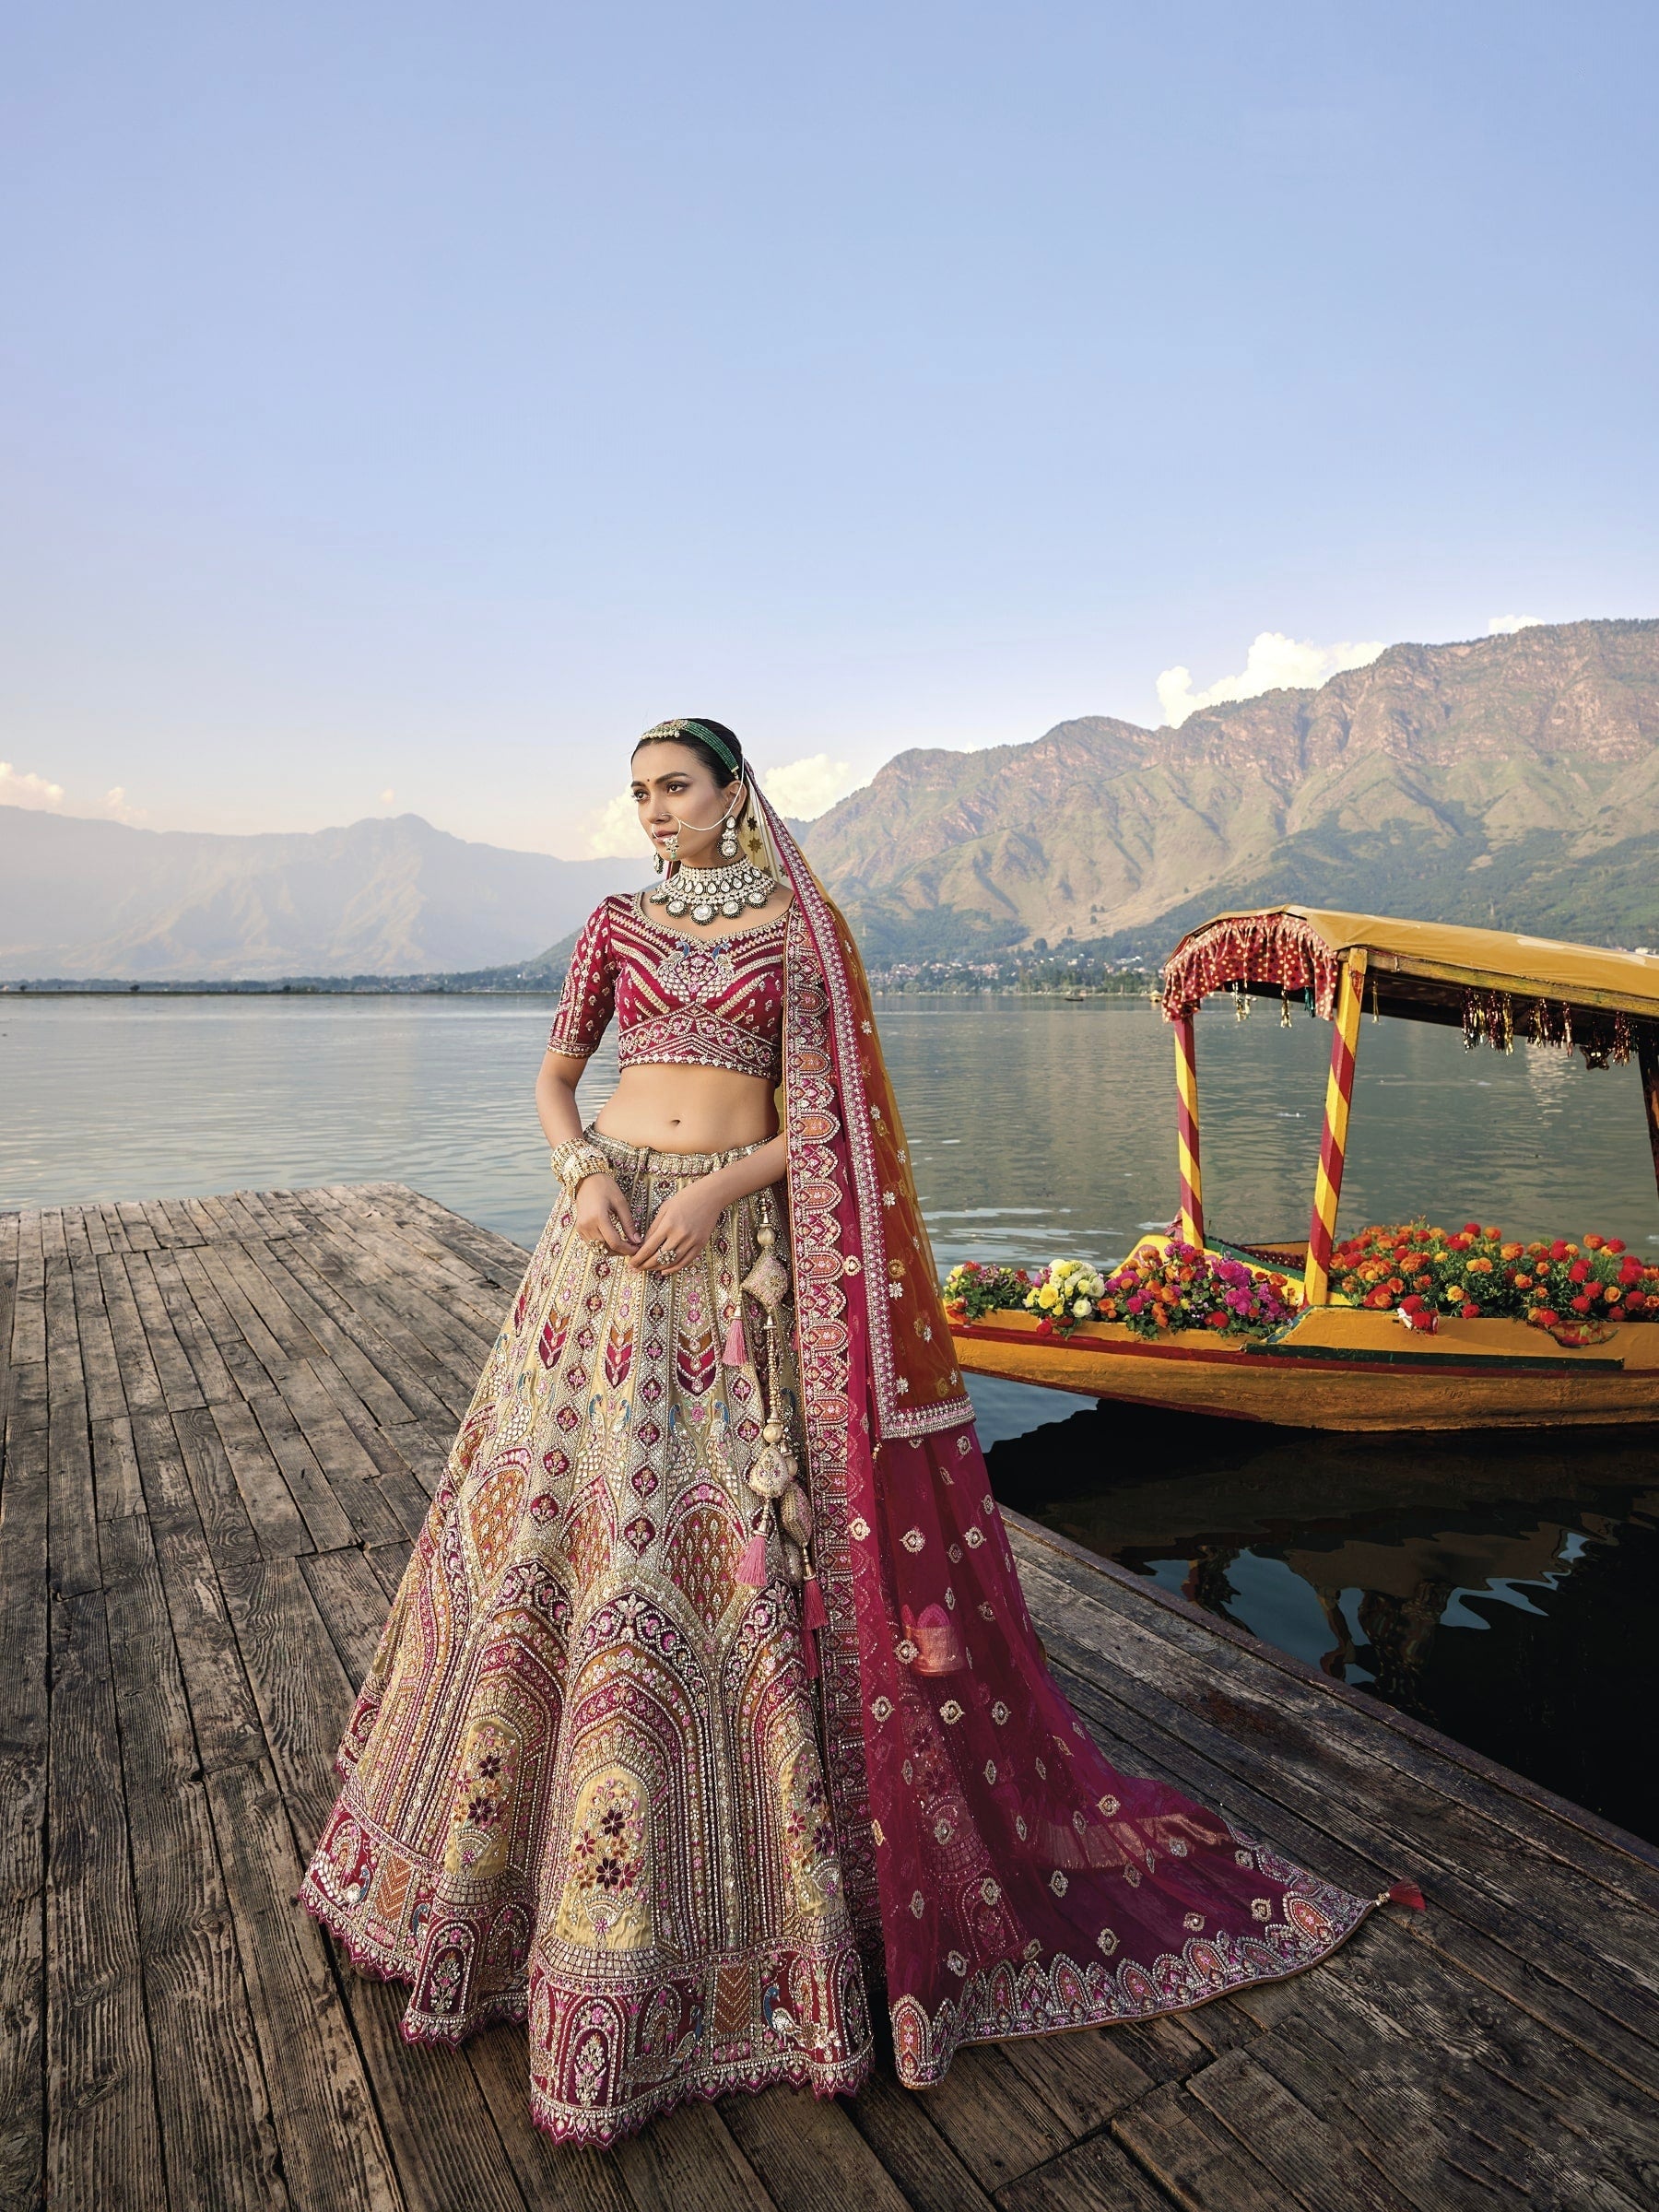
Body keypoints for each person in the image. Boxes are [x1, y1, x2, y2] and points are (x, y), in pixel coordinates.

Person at [300, 717, 1392, 2145]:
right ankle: (516, 1884)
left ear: (735, 791)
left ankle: (768, 1883)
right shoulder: (614, 920)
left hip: (736, 1247)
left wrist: (717, 1187)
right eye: (637, 794)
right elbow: (560, 1074)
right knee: (562, 1534)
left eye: (674, 788)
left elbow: (826, 1121)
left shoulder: (798, 932)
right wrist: (578, 1174)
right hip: (607, 1239)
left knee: (740, 1545)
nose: (653, 814)